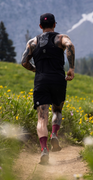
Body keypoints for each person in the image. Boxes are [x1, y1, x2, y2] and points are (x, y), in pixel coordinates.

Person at [21, 13, 75, 164]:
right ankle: (54, 135)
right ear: (55, 25)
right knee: (57, 110)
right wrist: (71, 68)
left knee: (41, 118)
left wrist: (35, 70)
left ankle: (44, 150)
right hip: (58, 80)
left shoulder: (32, 42)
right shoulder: (60, 38)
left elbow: (24, 62)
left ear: (40, 26)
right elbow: (69, 45)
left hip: (41, 81)